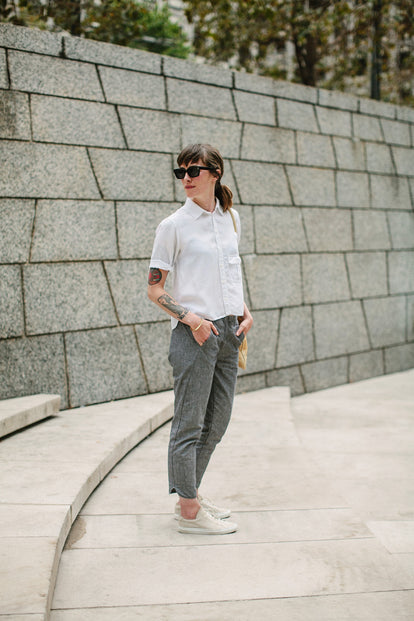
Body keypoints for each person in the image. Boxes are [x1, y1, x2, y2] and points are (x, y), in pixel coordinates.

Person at [147, 143, 253, 535]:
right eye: (181, 172)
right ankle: (189, 510)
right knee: (188, 424)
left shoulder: (231, 218)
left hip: (229, 331)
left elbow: (227, 274)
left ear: (215, 174)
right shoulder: (173, 226)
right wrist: (191, 319)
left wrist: (244, 308)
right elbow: (155, 290)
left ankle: (190, 494)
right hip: (195, 332)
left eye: (194, 171)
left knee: (218, 421)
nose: (187, 178)